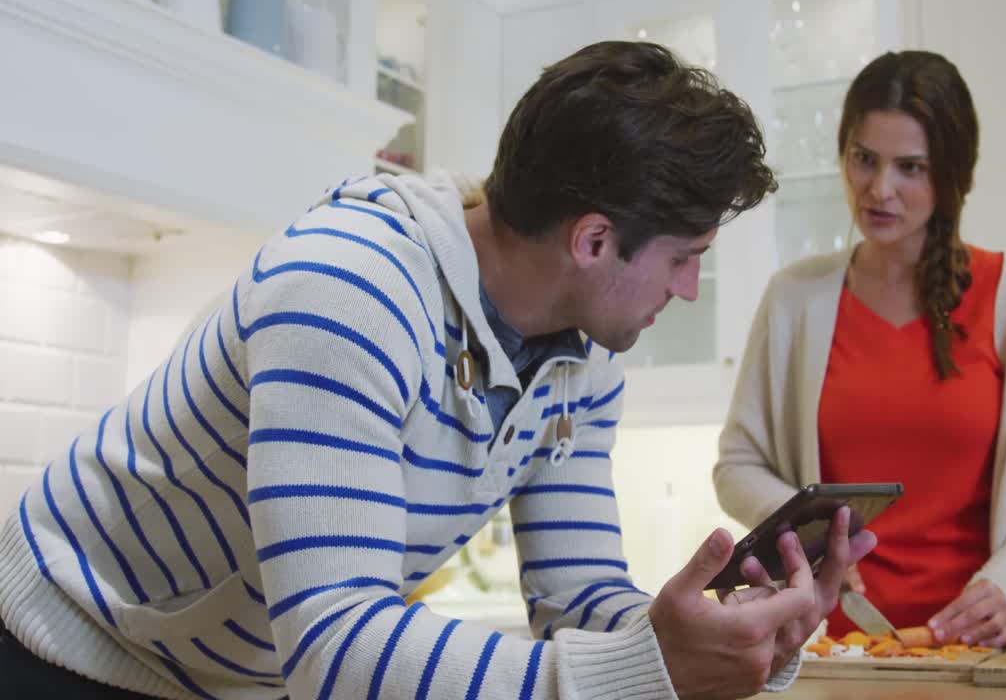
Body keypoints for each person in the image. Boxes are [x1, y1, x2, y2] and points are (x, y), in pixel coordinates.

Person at [0, 41, 876, 700]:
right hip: (66, 640)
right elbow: (337, 644)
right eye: (685, 258)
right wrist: (633, 673)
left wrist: (731, 630)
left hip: (224, 676)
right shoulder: (349, 289)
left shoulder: (583, 351)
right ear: (595, 239)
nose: (689, 290)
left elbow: (579, 594)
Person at [713, 50, 1006, 650]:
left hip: (985, 653)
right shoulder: (795, 299)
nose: (879, 189)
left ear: (951, 175)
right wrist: (809, 536)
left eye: (910, 167)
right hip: (832, 651)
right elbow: (737, 465)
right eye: (864, 159)